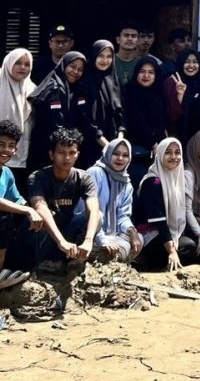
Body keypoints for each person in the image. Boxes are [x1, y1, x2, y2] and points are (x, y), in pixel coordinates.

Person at [26, 127, 100, 267]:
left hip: (68, 228)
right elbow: (40, 207)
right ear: (51, 154)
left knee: (98, 217)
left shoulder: (84, 178)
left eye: (72, 153)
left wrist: (89, 240)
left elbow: (93, 207)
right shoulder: (37, 177)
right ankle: (41, 264)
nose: (67, 158)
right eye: (61, 152)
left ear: (77, 154)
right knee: (38, 219)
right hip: (45, 233)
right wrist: (61, 241)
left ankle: (74, 259)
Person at [136, 137, 200, 270]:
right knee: (188, 246)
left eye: (177, 152)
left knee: (197, 244)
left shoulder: (177, 179)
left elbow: (184, 212)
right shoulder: (153, 182)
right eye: (168, 152)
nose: (173, 157)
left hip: (168, 230)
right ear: (160, 154)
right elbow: (160, 222)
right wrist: (172, 251)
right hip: (149, 233)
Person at [26, 51, 89, 173]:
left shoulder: (74, 87)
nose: (75, 72)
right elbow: (54, 122)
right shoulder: (54, 88)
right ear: (64, 65)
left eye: (80, 69)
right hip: (48, 148)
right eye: (72, 67)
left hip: (62, 147)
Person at [86, 137, 143, 261]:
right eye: (116, 154)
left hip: (112, 235)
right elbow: (90, 213)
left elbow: (123, 216)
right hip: (90, 233)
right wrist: (102, 239)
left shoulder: (126, 183)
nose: (120, 158)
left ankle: (111, 257)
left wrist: (132, 232)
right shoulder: (95, 173)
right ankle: (106, 256)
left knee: (138, 238)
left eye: (125, 155)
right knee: (98, 216)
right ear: (108, 153)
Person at [0, 119, 42, 286]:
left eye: (11, 145)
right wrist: (27, 211)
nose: (6, 150)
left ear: (16, 149)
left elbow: (18, 199)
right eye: (1, 144)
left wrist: (37, 212)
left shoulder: (7, 173)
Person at [123, 56, 168, 189]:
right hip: (136, 152)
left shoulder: (158, 93)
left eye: (151, 72)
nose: (146, 75)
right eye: (142, 71)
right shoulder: (129, 91)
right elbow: (136, 120)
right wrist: (152, 143)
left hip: (156, 153)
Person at [80, 40, 126, 168]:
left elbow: (121, 112)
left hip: (114, 146)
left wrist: (119, 138)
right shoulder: (84, 83)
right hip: (91, 146)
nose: (104, 60)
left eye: (109, 56)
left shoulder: (115, 82)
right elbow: (85, 118)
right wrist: (106, 145)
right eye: (100, 56)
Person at [0, 48, 36, 196]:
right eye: (18, 63)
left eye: (27, 64)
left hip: (20, 151)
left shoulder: (32, 88)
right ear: (9, 63)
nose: (23, 67)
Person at [162, 48, 200, 139]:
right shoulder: (173, 81)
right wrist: (179, 96)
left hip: (197, 136)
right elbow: (168, 114)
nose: (191, 65)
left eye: (195, 62)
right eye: (187, 61)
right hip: (175, 134)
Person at [113, 22, 141, 88]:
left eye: (133, 36)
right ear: (118, 40)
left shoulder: (141, 63)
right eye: (126, 35)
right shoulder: (109, 62)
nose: (130, 39)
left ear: (138, 41)